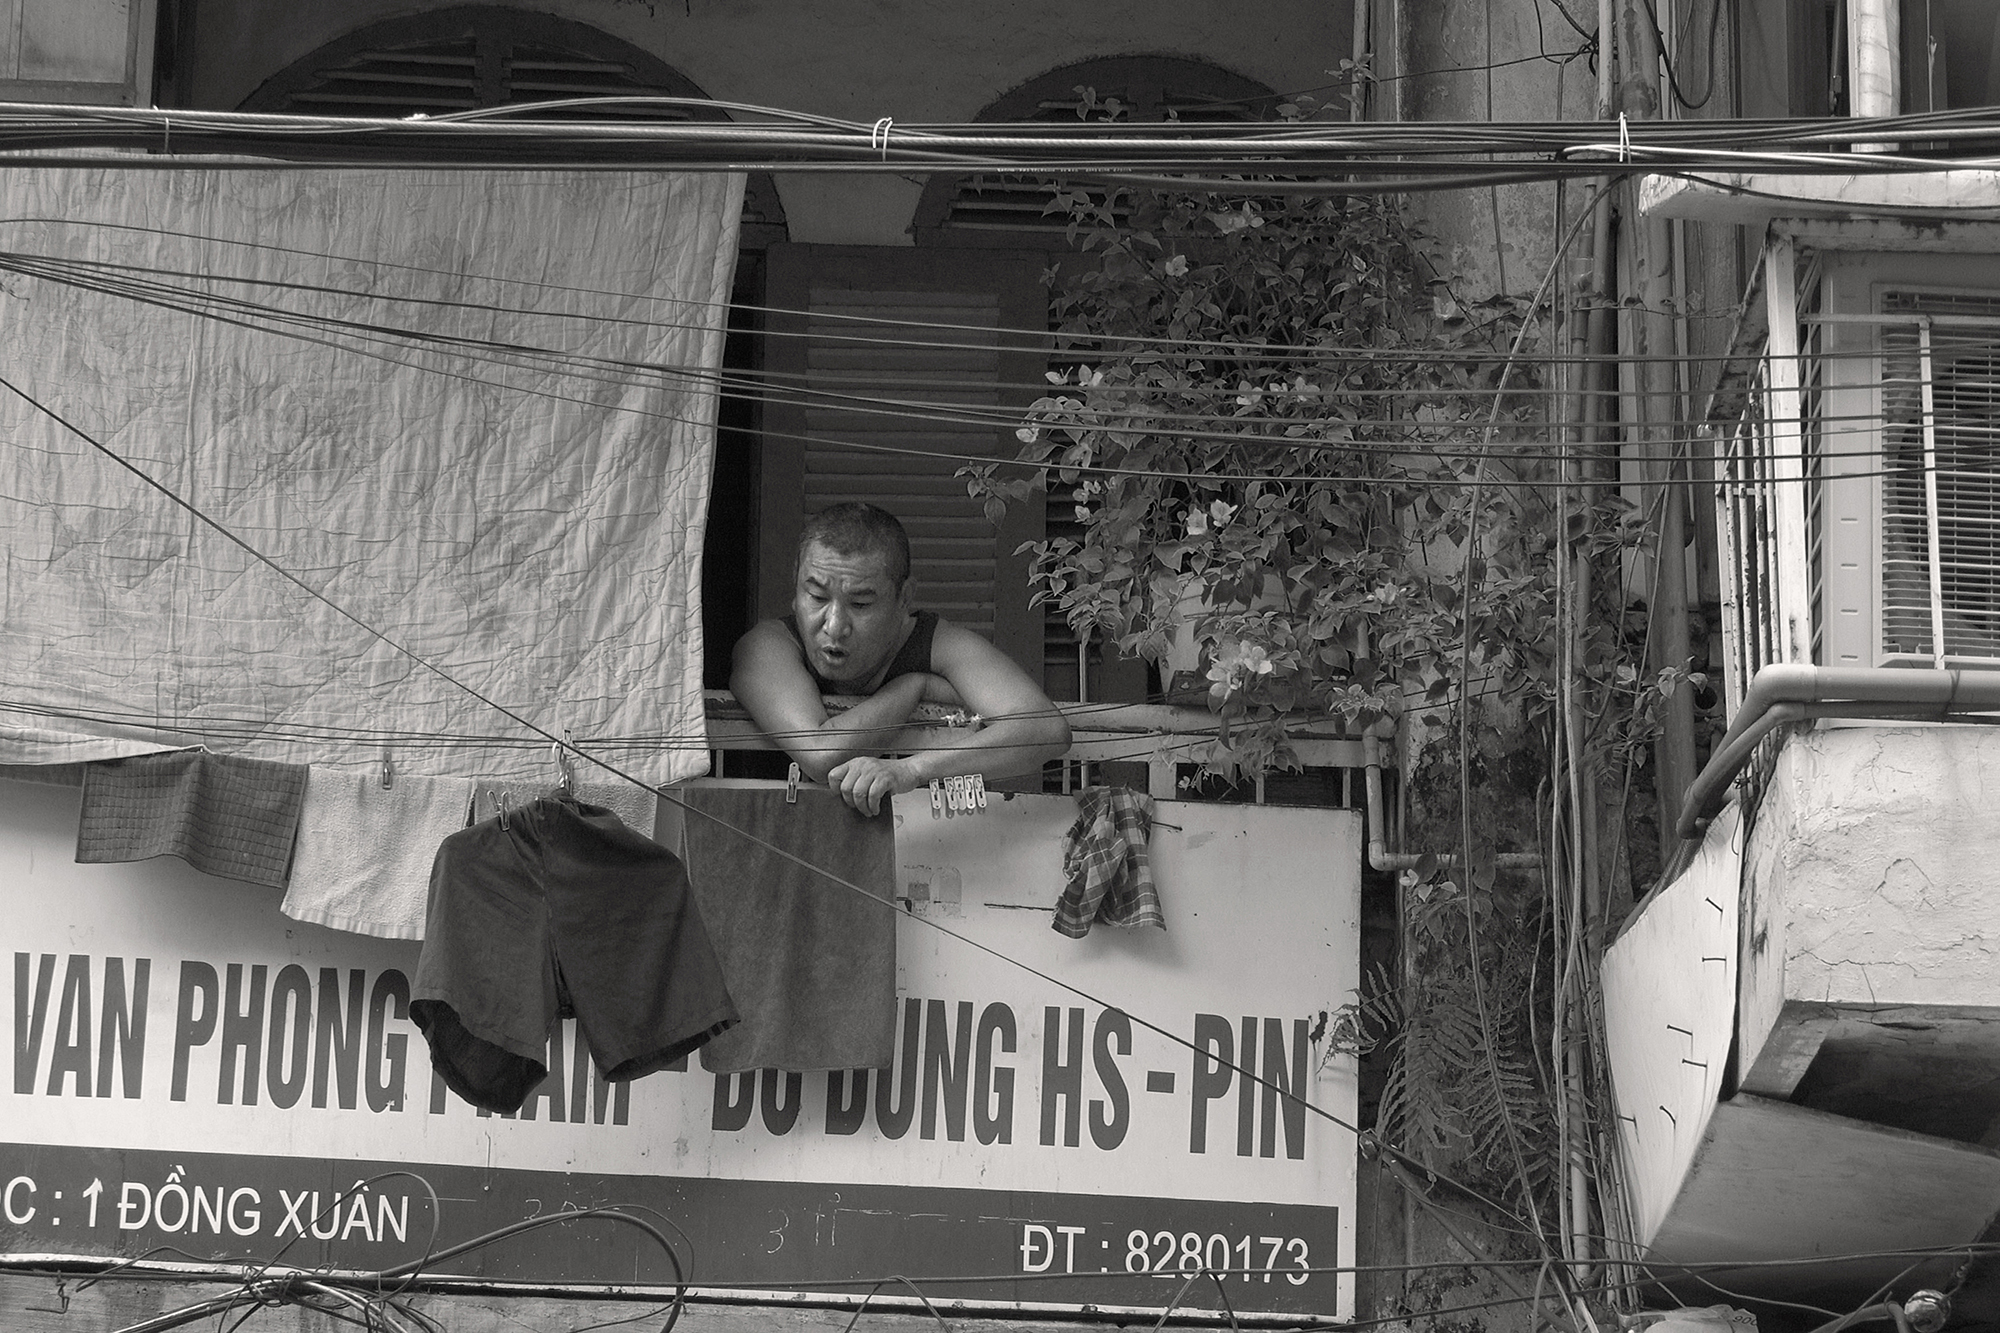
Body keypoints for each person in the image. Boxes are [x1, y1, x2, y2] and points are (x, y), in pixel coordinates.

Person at [730, 503, 1072, 815]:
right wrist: (912, 687)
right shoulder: (767, 646)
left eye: (860, 604)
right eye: (817, 596)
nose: (834, 626)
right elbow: (822, 755)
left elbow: (1043, 729)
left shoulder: (937, 642)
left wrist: (911, 769)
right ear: (795, 587)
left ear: (904, 598)